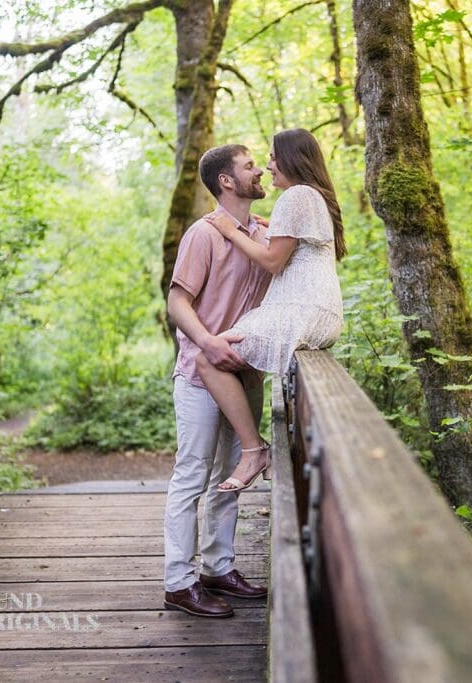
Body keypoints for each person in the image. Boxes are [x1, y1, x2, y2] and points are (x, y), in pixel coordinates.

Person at [196, 127, 346, 493]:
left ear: (292, 160)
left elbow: (273, 261)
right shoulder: (312, 196)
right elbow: (293, 249)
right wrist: (270, 227)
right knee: (223, 356)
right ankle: (252, 448)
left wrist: (230, 231)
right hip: (321, 310)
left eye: (274, 158)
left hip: (301, 309)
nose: (268, 166)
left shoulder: (296, 196)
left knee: (207, 357)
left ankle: (254, 450)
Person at [163, 143, 272, 618]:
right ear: (226, 181)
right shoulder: (203, 234)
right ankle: (178, 582)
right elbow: (177, 302)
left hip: (246, 375)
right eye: (249, 166)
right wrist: (207, 342)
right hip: (200, 374)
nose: (259, 171)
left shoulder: (264, 234)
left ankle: (218, 568)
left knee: (234, 473)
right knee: (192, 475)